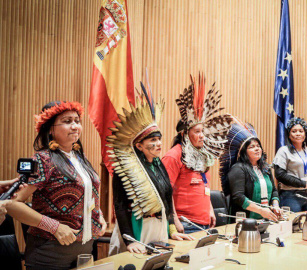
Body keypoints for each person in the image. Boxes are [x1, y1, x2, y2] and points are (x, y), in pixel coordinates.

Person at [6, 101, 107, 270]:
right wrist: (55, 227)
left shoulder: (79, 158)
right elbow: (12, 204)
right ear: (50, 129)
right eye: (67, 121)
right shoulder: (43, 159)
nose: (75, 126)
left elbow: (87, 193)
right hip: (50, 253)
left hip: (85, 249)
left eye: (77, 121)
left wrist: (99, 215)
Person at [107, 87, 193, 255]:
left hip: (159, 226)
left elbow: (166, 200)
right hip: (137, 226)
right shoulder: (124, 168)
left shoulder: (158, 164)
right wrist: (129, 240)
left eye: (159, 139)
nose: (159, 143)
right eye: (153, 140)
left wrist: (172, 230)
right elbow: (120, 206)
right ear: (139, 145)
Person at [162, 74, 232, 234]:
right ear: (185, 134)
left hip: (203, 223)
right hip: (185, 224)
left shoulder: (203, 155)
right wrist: (173, 220)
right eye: (197, 131)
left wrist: (210, 209)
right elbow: (165, 191)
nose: (202, 135)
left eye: (204, 131)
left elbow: (203, 186)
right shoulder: (173, 156)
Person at [220, 120, 280, 221]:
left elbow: (274, 190)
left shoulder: (265, 168)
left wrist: (275, 205)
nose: (257, 149)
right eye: (252, 147)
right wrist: (261, 210)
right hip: (244, 220)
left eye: (258, 146)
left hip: (265, 218)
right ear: (244, 152)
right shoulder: (238, 168)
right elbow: (238, 197)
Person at [273, 117, 307, 212]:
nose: (298, 133)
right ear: (289, 135)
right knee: (292, 225)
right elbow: (280, 174)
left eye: (301, 131)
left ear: (305, 135)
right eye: (294, 131)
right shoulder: (283, 151)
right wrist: (303, 184)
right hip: (291, 195)